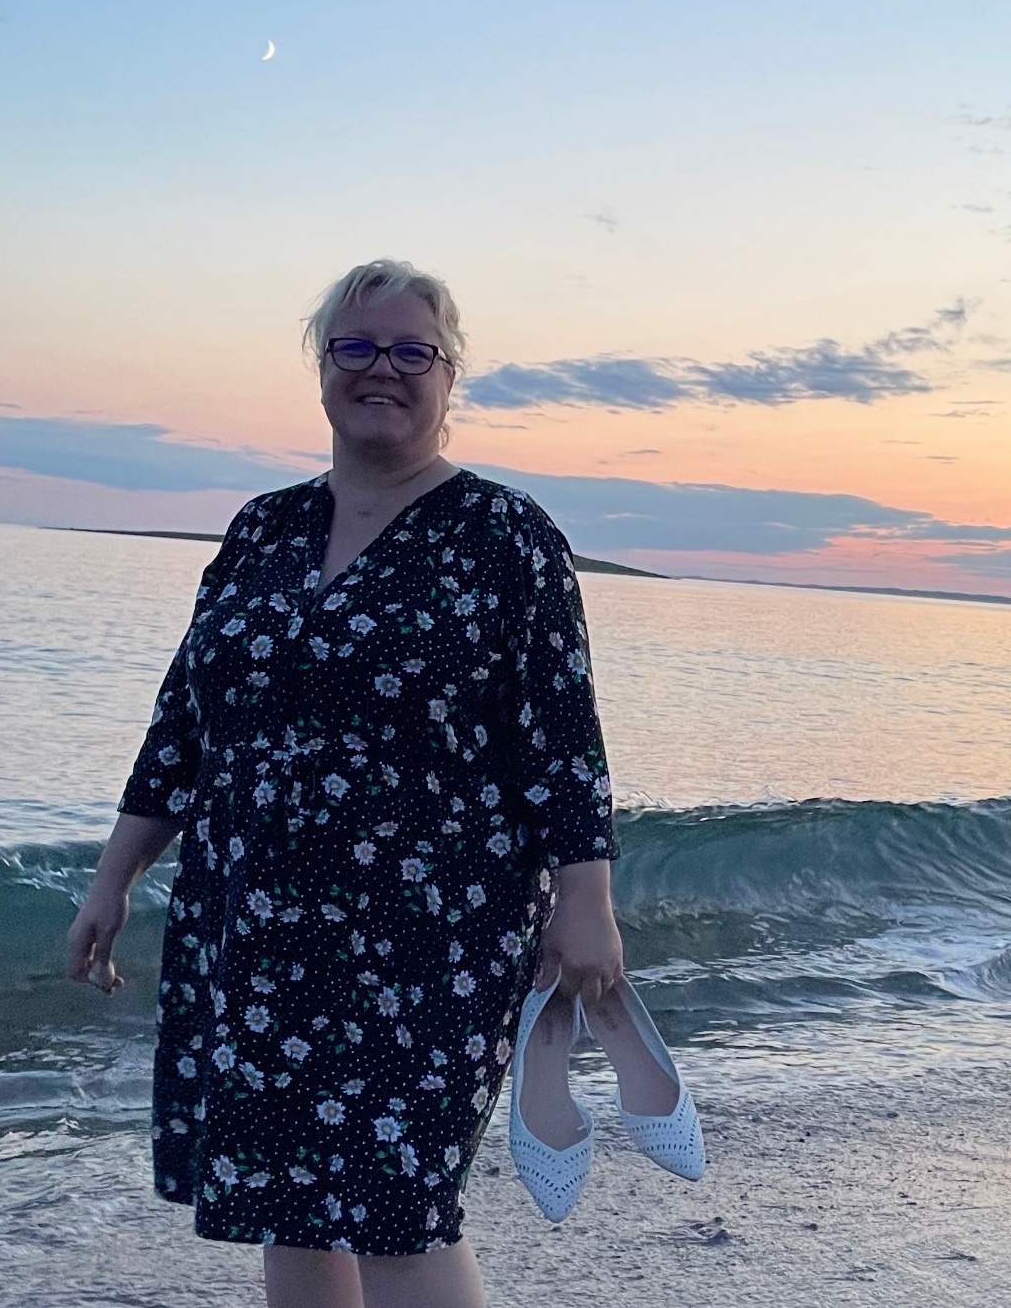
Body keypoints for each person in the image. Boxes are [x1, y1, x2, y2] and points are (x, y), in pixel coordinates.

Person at [68, 260, 624, 1308]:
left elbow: (562, 737)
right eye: (356, 347)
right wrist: (113, 877)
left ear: (450, 376)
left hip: (431, 932)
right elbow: (184, 724)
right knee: (287, 1200)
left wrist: (586, 903)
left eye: (413, 351)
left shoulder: (507, 537)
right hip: (253, 922)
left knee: (398, 1208)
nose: (383, 370)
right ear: (321, 366)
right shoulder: (261, 529)